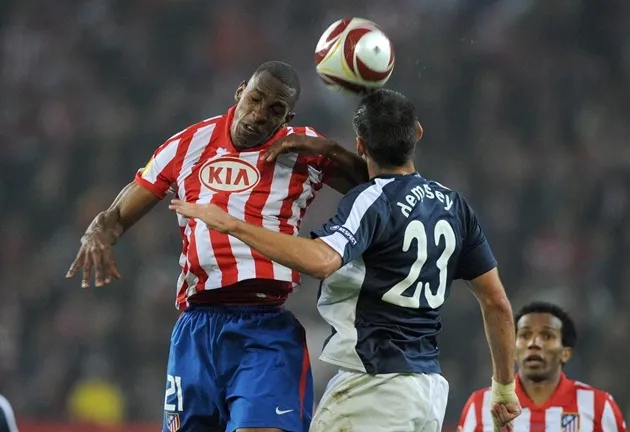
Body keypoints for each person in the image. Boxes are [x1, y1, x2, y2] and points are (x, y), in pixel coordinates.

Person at [169, 89, 521, 432]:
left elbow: (323, 260)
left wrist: (232, 224)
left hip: (373, 387)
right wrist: (504, 389)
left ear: (361, 145)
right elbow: (497, 303)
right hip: (427, 389)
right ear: (417, 133)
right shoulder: (454, 206)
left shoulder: (371, 199)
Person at [66, 61, 369, 432]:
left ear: (288, 116)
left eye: (275, 110)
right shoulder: (188, 144)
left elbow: (376, 187)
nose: (259, 115)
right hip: (197, 329)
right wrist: (97, 232)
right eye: (255, 99)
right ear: (240, 91)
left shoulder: (302, 148)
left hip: (265, 327)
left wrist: (329, 149)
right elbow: (115, 217)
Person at [457, 301, 627, 432]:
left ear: (565, 353)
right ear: (513, 350)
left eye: (546, 336)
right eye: (525, 335)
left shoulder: (598, 405)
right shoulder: (481, 404)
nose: (534, 343)